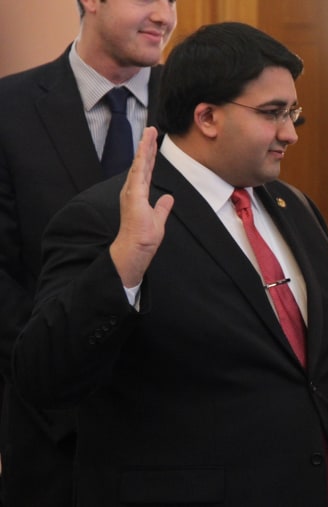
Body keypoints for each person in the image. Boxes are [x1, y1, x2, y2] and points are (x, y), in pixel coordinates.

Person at [12, 22, 328, 506]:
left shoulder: (294, 207)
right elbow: (44, 376)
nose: (291, 133)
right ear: (207, 117)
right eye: (272, 113)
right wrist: (124, 265)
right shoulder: (107, 217)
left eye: (292, 112)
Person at [0, 0, 176, 504]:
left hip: (178, 430)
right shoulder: (9, 108)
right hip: (51, 435)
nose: (164, 15)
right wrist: (51, 363)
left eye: (173, 1)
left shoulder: (201, 114)